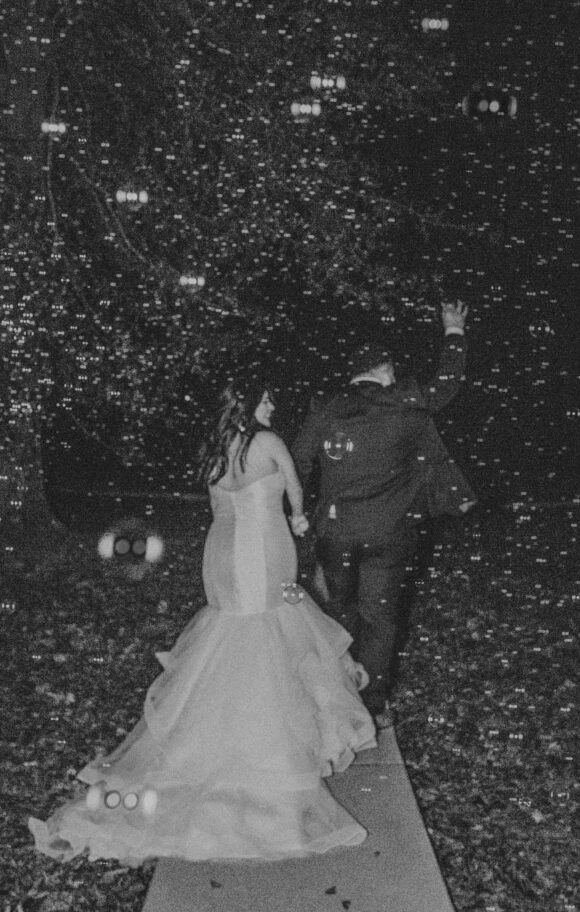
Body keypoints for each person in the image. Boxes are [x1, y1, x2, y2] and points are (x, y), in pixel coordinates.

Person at [28, 382, 376, 864]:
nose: (273, 405)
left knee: (231, 629)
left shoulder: (213, 450)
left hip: (222, 552)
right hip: (261, 549)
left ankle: (211, 732)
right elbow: (296, 494)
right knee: (266, 629)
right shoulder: (268, 443)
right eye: (268, 398)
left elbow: (218, 505)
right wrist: (298, 521)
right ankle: (262, 744)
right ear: (251, 404)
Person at [292, 302, 476, 729]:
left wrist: (297, 511)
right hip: (389, 532)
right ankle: (370, 702)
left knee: (340, 609)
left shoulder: (326, 408)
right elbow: (445, 387)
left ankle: (337, 688)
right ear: (385, 369)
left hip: (335, 531)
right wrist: (453, 332)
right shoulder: (404, 402)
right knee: (380, 617)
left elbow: (299, 461)